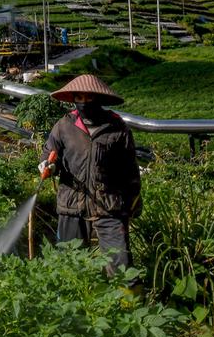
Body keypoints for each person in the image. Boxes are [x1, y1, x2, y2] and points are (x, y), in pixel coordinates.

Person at [40, 74, 142, 276]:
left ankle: (128, 305)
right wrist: (48, 166)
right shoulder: (64, 126)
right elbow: (50, 155)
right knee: (68, 267)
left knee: (121, 268)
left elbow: (130, 170)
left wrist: (133, 203)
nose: (84, 102)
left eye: (89, 98)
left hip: (109, 206)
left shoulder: (117, 128)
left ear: (99, 99)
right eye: (79, 98)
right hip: (72, 205)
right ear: (73, 99)